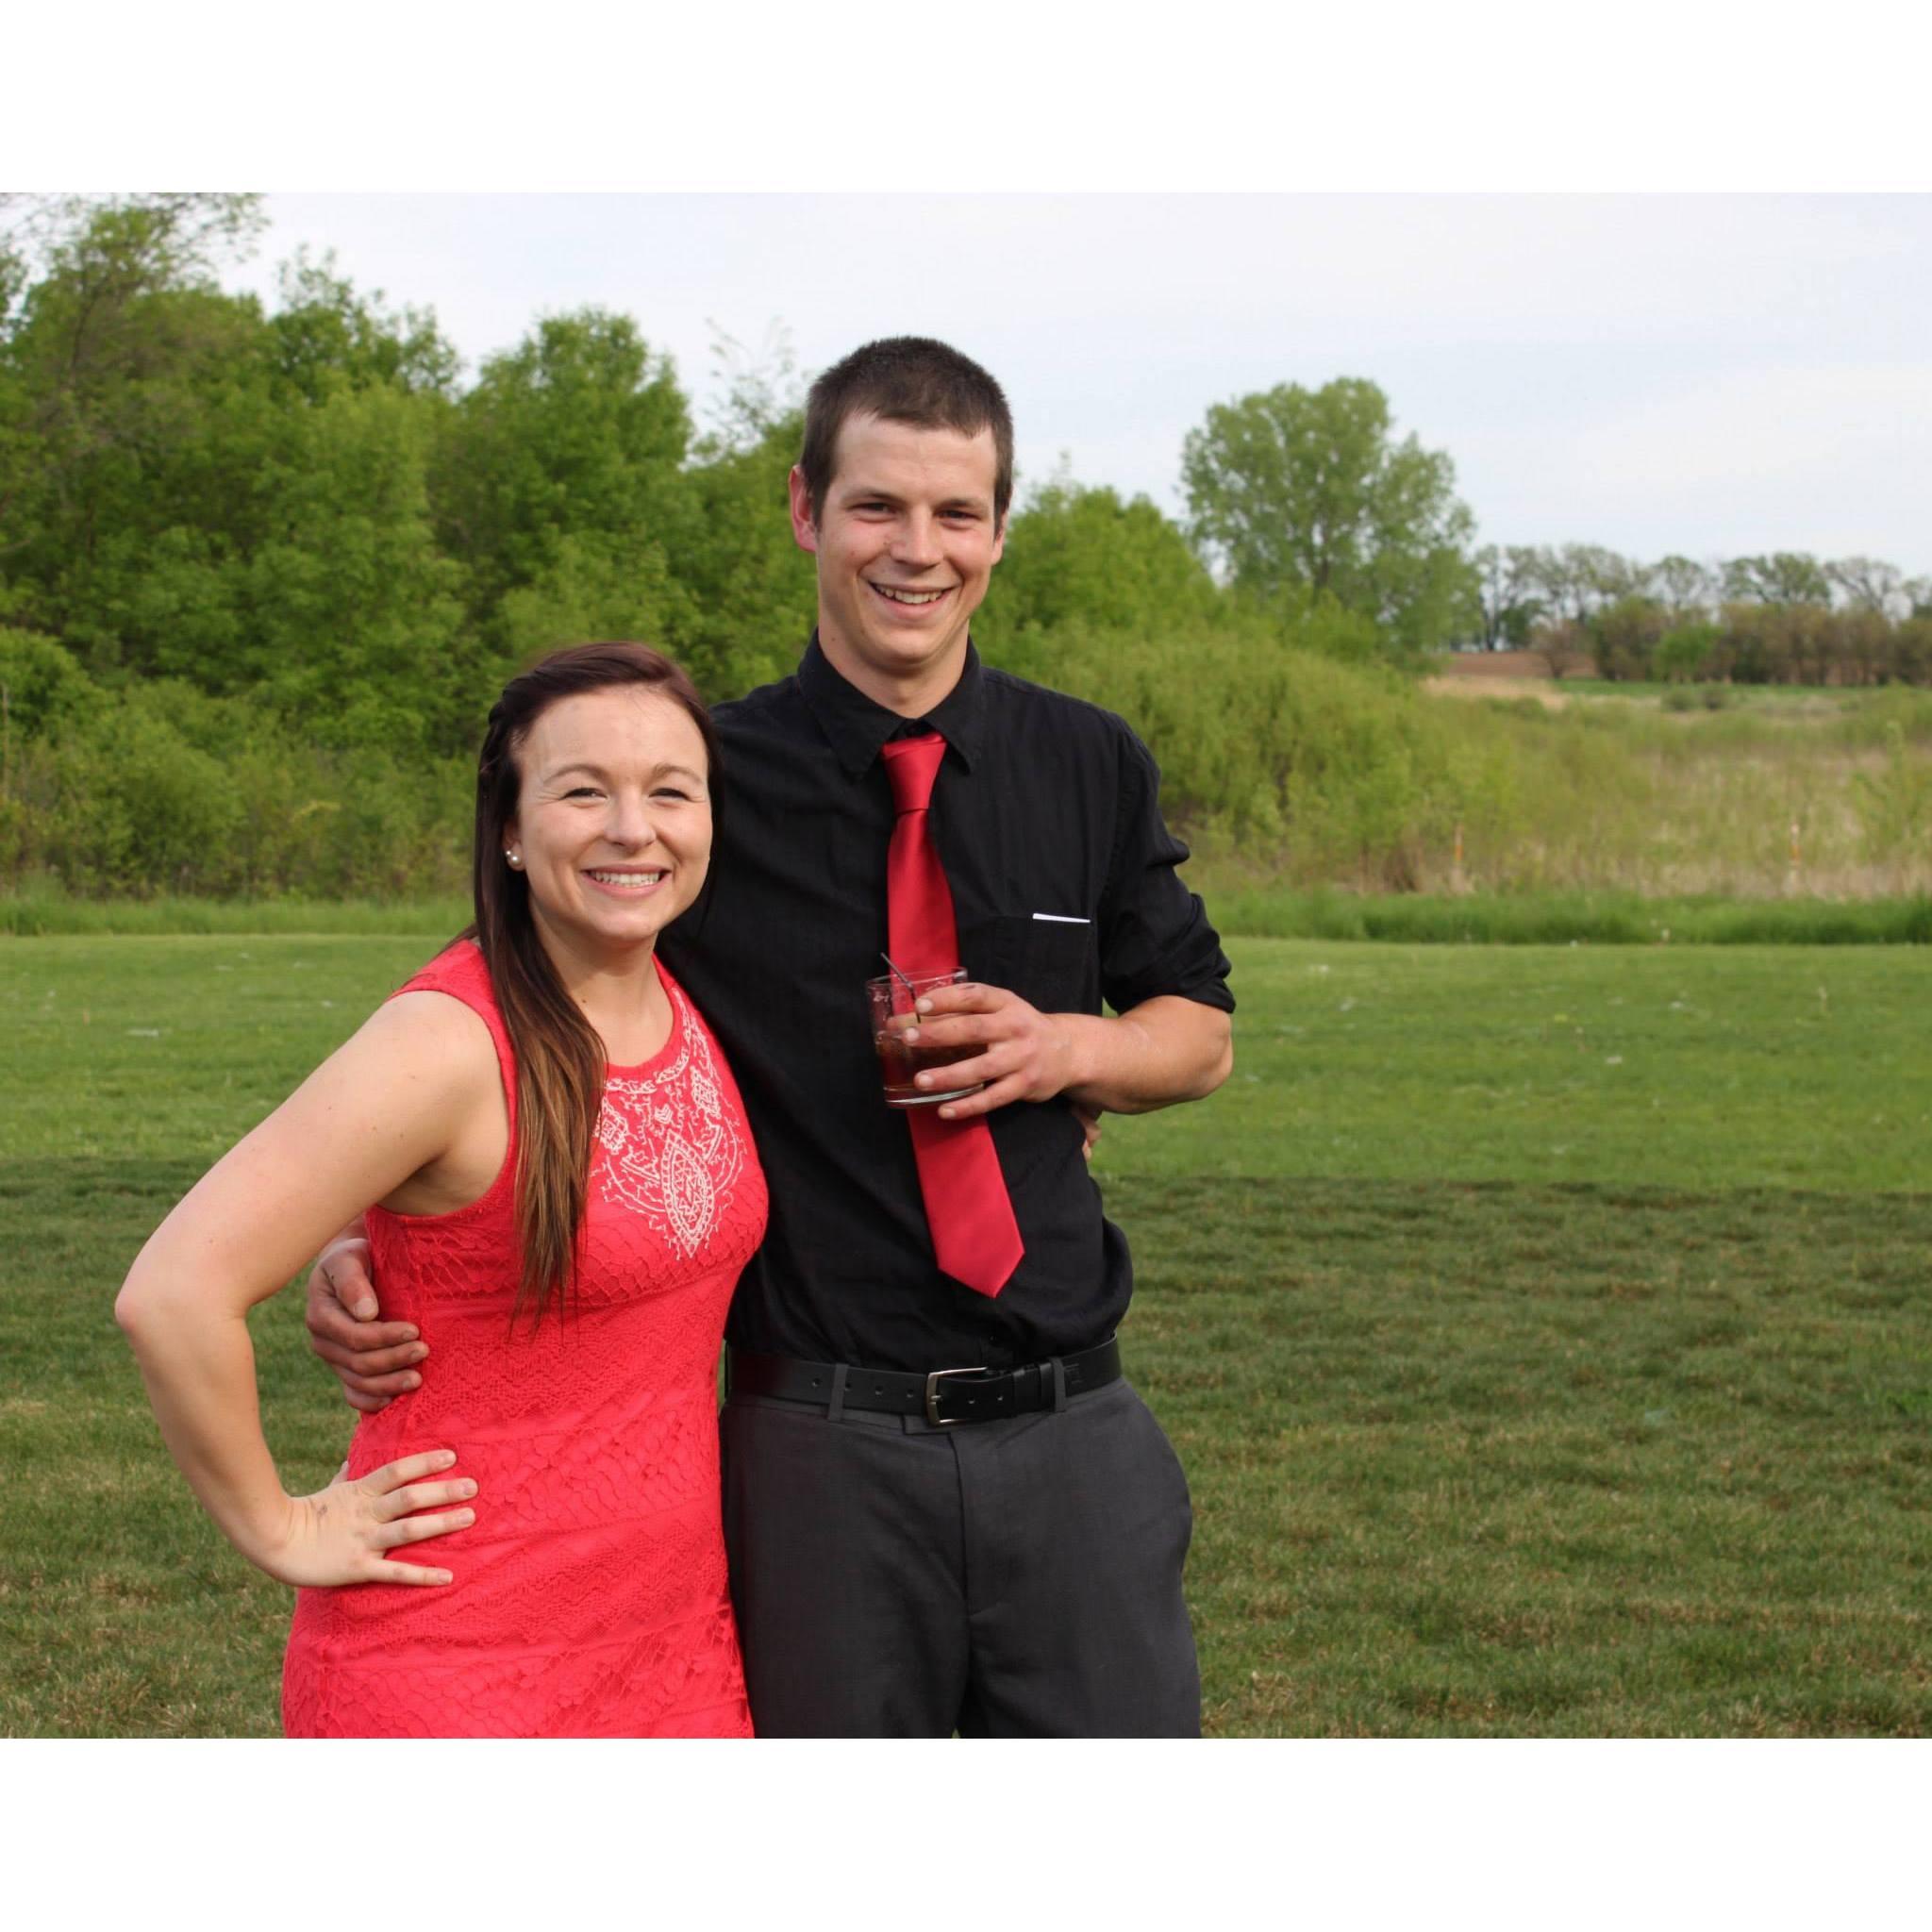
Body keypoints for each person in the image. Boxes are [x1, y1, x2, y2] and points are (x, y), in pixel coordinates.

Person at [309, 337, 1234, 1737]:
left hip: (1074, 1432)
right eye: (876, 507)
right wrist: (367, 1234)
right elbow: (510, 1017)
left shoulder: (1087, 760)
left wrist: (1068, 1051)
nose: (915, 550)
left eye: (954, 514)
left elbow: (1199, 1033)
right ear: (806, 509)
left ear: (997, 530)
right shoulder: (699, 787)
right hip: (817, 1446)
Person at [118, 642, 765, 1737]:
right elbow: (174, 1290)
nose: (631, 826)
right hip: (456, 1655)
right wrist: (280, 1525)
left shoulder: (677, 993)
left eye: (668, 790)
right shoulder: (449, 1038)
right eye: (580, 790)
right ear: (509, 828)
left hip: (673, 1642)